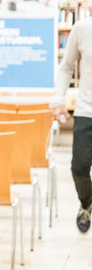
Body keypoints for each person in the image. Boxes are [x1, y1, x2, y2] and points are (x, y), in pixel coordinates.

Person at [52, 16, 92, 233]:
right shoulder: (82, 28)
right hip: (86, 110)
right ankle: (86, 203)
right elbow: (66, 67)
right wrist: (59, 98)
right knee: (79, 166)